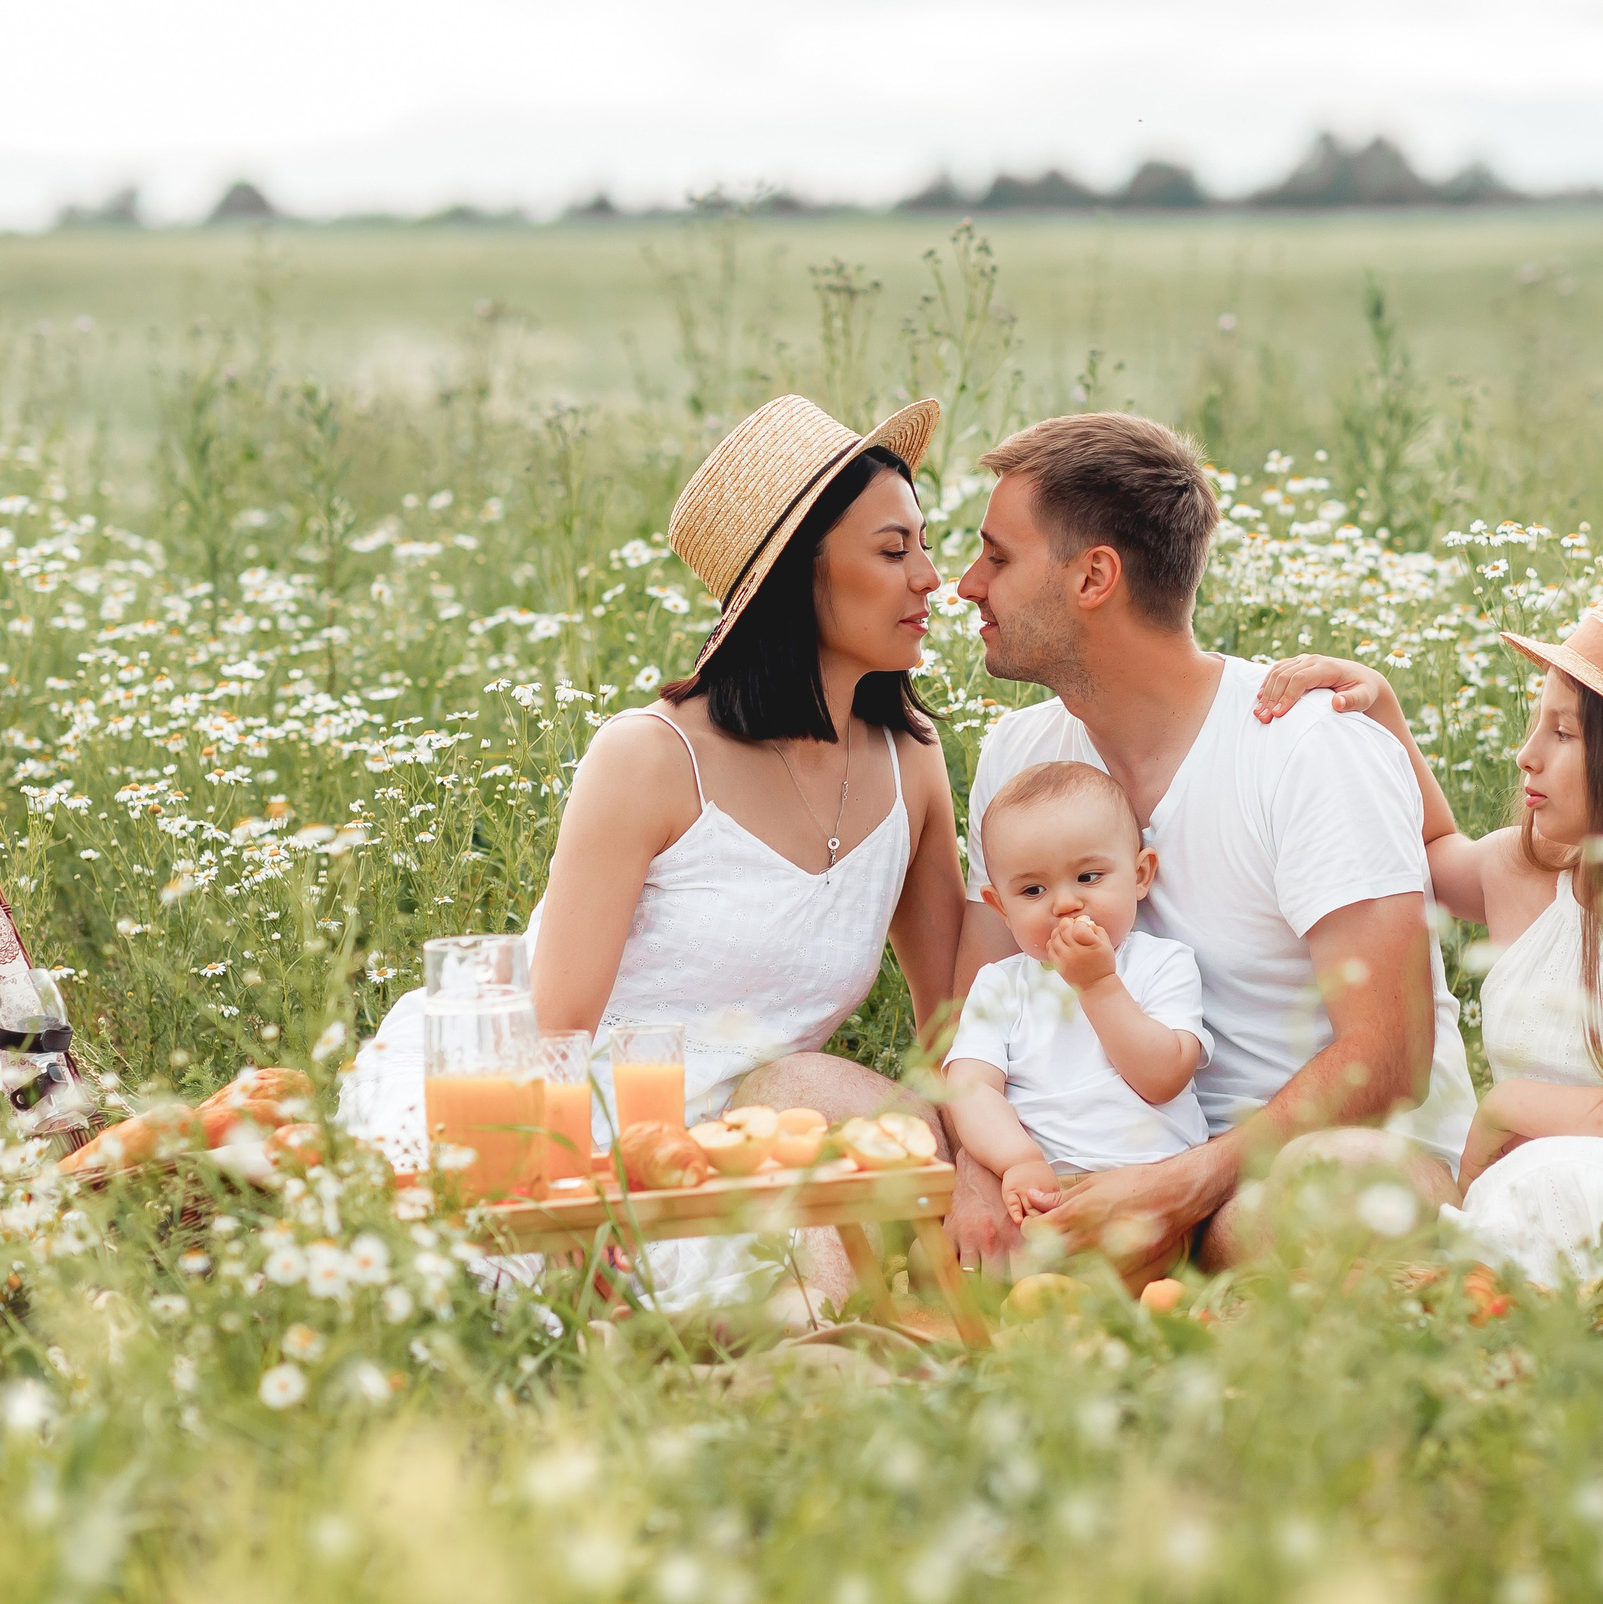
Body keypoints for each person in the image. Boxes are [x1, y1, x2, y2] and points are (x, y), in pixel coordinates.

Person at [950, 412, 1477, 1284]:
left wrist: (1176, 1188)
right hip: (1084, 1161)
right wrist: (983, 1170)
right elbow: (978, 1008)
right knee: (829, 1121)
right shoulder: (1018, 759)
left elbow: (1389, 1056)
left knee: (1287, 1211)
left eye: (998, 556)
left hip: (1316, 1159)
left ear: (1094, 576)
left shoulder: (1308, 748)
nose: (968, 584)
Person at [521, 393, 970, 1305]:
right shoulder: (649, 758)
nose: (932, 576)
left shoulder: (910, 759)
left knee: (836, 1103)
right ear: (799, 576)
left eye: (925, 541)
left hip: (767, 1133)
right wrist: (569, 1211)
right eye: (894, 550)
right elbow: (551, 1032)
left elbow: (951, 1019)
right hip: (590, 1139)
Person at [1251, 576, 1603, 1283]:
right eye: (1539, 723)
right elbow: (1434, 849)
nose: (1525, 754)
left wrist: (1511, 1105)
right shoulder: (1524, 868)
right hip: (1505, 1190)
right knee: (1318, 1168)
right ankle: (1474, 1278)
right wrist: (1385, 713)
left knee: (1569, 1186)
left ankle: (1501, 1292)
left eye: (1562, 732)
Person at [941, 761, 1210, 1224]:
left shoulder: (1162, 964)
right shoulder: (1000, 985)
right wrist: (1017, 1160)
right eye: (1033, 889)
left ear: (1141, 874)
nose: (1065, 903)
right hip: (1042, 1187)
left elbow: (1164, 1078)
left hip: (1153, 1188)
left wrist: (1099, 985)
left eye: (1088, 878)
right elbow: (969, 1087)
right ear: (1001, 908)